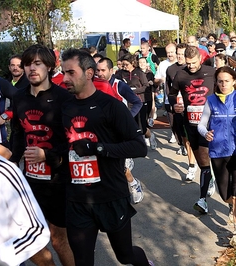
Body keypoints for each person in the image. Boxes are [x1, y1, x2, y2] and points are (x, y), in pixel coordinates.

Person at [61, 48, 153, 266]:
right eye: (63, 72)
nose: (65, 78)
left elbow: (139, 148)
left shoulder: (111, 106)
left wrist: (98, 148)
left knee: (125, 256)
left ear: (89, 73)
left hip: (110, 194)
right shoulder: (64, 106)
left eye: (71, 73)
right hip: (78, 198)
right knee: (82, 260)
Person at [10, 44, 75, 266]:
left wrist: (47, 155)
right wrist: (10, 164)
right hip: (29, 182)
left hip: (58, 180)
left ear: (49, 66)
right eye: (27, 64)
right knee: (30, 242)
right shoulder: (19, 97)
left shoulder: (64, 98)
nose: (31, 69)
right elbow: (18, 134)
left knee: (58, 240)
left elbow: (73, 142)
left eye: (37, 63)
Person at [198, 66, 236, 249]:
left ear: (234, 81)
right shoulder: (211, 101)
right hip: (218, 152)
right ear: (216, 82)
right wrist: (205, 133)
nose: (223, 84)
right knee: (225, 194)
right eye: (220, 81)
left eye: (227, 81)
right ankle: (230, 204)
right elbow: (201, 124)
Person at [168, 46, 216, 214]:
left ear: (200, 59)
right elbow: (172, 93)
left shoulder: (212, 72)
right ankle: (207, 181)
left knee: (213, 159)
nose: (191, 66)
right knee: (203, 161)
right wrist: (175, 104)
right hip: (191, 124)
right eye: (188, 63)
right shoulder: (181, 74)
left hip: (212, 124)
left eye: (194, 63)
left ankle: (203, 198)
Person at [96, 57, 145, 204]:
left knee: (121, 167)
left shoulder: (119, 85)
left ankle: (133, 184)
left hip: (120, 133)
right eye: (97, 70)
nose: (99, 74)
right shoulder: (93, 85)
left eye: (103, 70)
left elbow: (137, 102)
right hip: (103, 131)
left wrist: (127, 119)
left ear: (111, 71)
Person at [0, 147, 51, 266]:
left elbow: (36, 229)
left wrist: (2, 256)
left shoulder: (4, 170)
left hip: (7, 256)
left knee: (59, 240)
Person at [166, 43, 198, 180]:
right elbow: (170, 92)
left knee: (201, 141)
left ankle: (208, 171)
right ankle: (192, 165)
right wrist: (172, 105)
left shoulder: (196, 69)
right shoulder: (171, 70)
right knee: (186, 139)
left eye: (181, 54)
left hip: (197, 109)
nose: (179, 56)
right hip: (181, 109)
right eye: (177, 54)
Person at [117, 53, 157, 150]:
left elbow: (146, 86)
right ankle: (133, 145)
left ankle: (150, 136)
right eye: (123, 65)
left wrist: (133, 91)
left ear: (132, 63)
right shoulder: (120, 73)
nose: (124, 67)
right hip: (126, 103)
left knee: (142, 127)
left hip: (140, 102)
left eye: (126, 65)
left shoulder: (139, 72)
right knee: (129, 125)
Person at [154, 43, 177, 143]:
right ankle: (174, 133)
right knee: (171, 117)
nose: (170, 54)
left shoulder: (181, 63)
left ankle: (180, 139)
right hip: (168, 96)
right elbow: (156, 79)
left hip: (181, 97)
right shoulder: (163, 64)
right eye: (168, 53)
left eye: (172, 52)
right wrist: (161, 80)